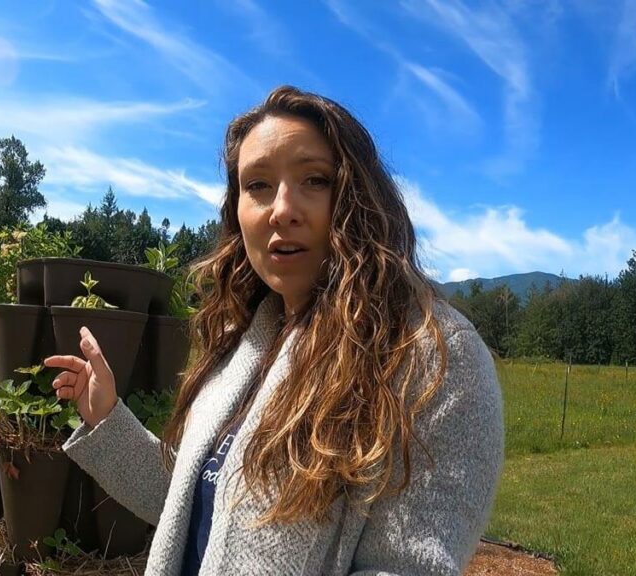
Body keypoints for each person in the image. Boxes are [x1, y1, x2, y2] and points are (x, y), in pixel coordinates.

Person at [44, 85, 504, 575]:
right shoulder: (247, 339)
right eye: (258, 185)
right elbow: (198, 513)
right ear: (237, 211)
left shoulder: (431, 355)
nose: (282, 208)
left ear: (359, 197)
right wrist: (107, 419)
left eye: (315, 180)